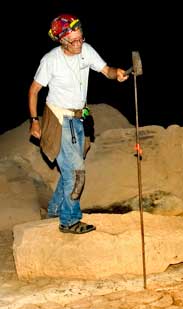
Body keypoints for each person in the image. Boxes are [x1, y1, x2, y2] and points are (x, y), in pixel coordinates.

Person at [28, 14, 129, 234]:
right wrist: (34, 121)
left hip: (79, 118)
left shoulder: (87, 50)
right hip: (57, 118)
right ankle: (69, 221)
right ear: (61, 40)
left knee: (69, 171)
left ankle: (54, 210)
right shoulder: (50, 60)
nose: (78, 44)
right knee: (76, 173)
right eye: (73, 41)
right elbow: (34, 90)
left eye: (80, 38)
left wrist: (116, 74)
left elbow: (106, 70)